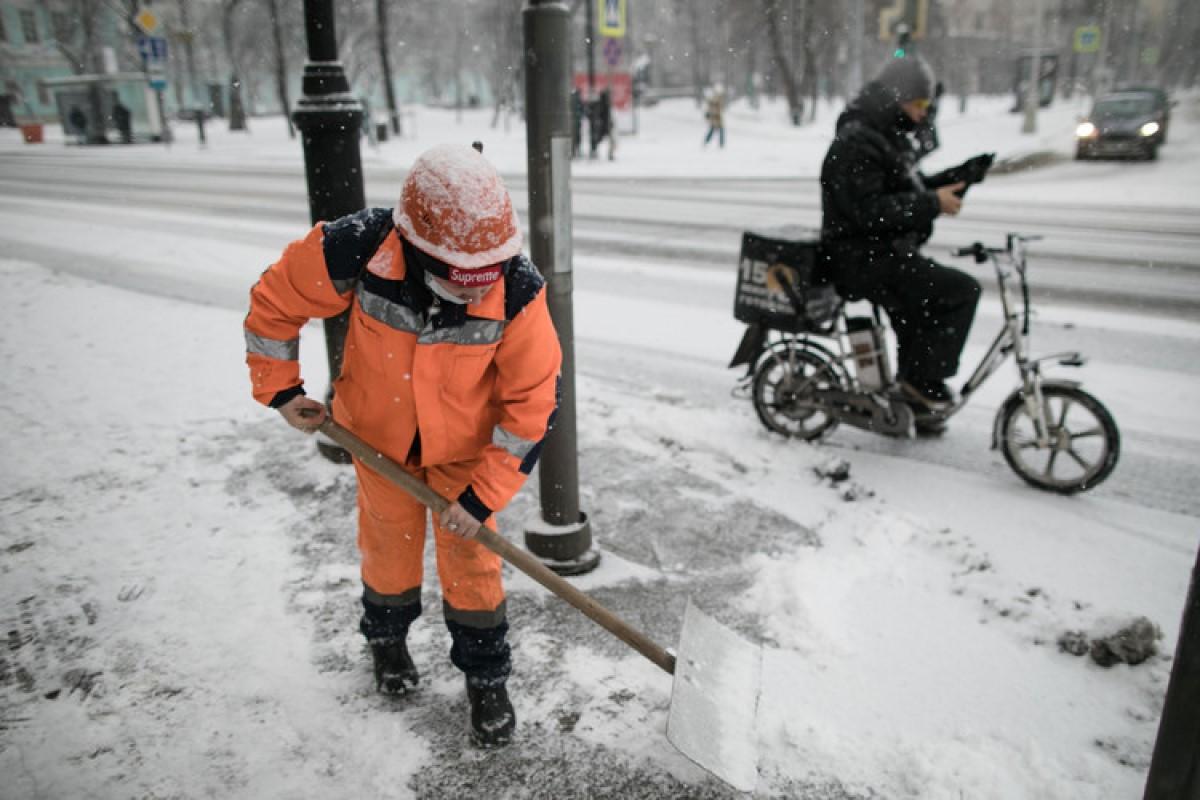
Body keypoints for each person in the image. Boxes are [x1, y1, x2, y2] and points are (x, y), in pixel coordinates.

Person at [243, 143, 562, 748]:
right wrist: (281, 390)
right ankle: (387, 643)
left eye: (481, 281)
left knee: (472, 564)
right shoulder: (359, 246)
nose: (472, 295)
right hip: (376, 443)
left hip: (466, 456)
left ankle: (486, 679)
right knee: (388, 549)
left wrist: (481, 496)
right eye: (456, 280)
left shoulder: (516, 288)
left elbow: (531, 405)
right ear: (416, 248)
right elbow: (274, 304)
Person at [819, 56, 987, 424]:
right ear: (897, 98)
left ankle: (916, 390)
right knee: (958, 292)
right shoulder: (858, 142)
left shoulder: (883, 137)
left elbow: (903, 189)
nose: (921, 115)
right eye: (919, 104)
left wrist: (955, 179)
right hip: (861, 258)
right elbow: (868, 210)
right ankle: (921, 385)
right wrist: (932, 203)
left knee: (922, 305)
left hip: (879, 254)